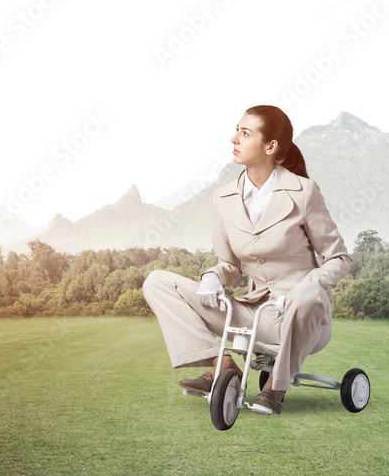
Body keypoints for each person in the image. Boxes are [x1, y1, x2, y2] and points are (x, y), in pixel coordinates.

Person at [142, 104, 351, 416]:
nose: (233, 139)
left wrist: (303, 289)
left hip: (302, 316)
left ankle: (274, 388)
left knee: (307, 293)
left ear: (270, 146)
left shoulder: (303, 192)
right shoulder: (223, 197)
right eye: (236, 130)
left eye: (244, 132)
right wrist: (212, 277)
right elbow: (229, 264)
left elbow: (339, 258)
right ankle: (223, 366)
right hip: (254, 310)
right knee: (157, 282)